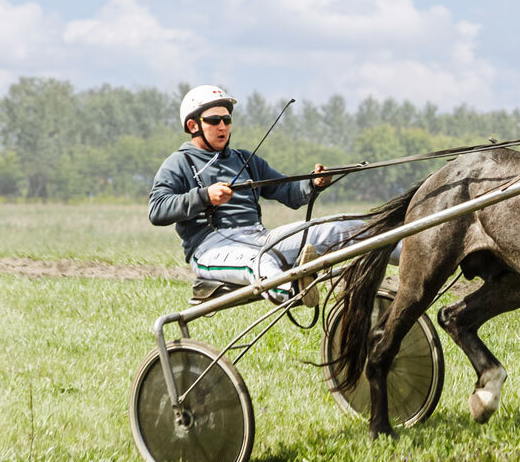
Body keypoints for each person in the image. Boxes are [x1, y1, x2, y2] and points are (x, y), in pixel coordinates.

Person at [149, 85, 377, 305]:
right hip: (210, 249)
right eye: (214, 120)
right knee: (259, 262)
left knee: (339, 227)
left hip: (260, 237)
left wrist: (313, 183)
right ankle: (295, 290)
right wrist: (204, 196)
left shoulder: (245, 159)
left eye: (227, 119)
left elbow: (289, 192)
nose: (223, 126)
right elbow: (157, 210)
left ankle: (400, 257)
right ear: (193, 125)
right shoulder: (179, 163)